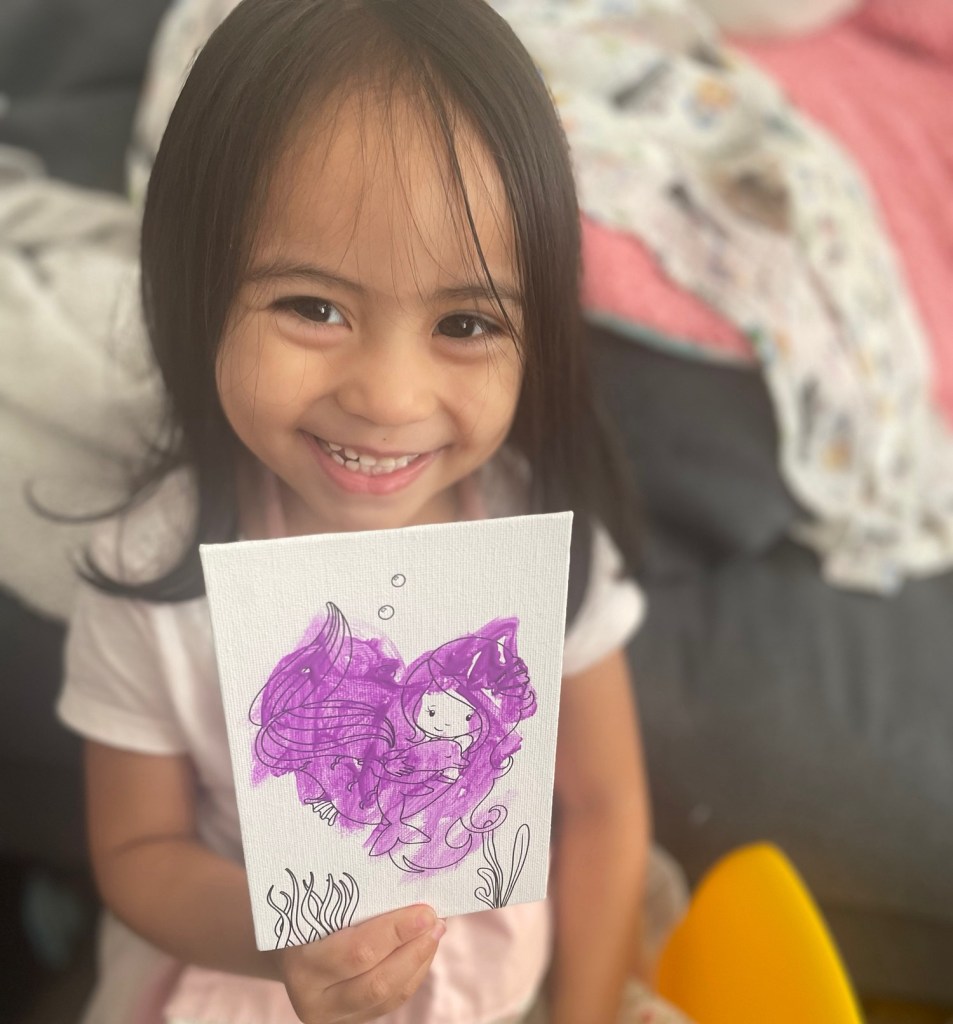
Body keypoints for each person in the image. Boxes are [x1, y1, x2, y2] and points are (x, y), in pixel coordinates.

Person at [57, 1, 687, 1021]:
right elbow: (137, 849)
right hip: (240, 976)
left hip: (495, 983)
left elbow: (605, 808)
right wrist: (280, 941)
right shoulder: (151, 569)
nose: (389, 398)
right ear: (196, 286)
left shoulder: (539, 535)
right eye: (314, 307)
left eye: (465, 322)